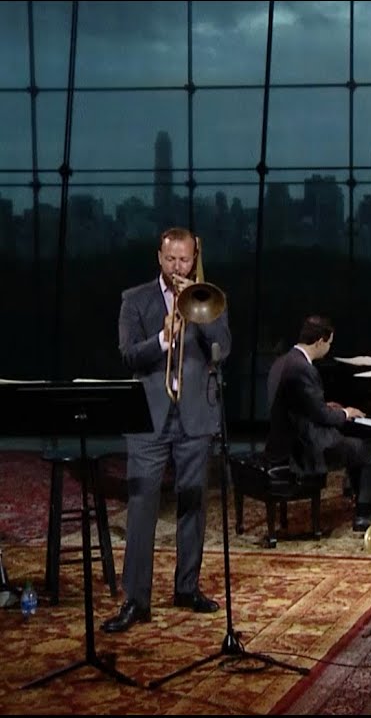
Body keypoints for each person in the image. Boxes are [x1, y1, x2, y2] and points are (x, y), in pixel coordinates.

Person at [104, 227, 232, 633]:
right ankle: (136, 600)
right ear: (159, 258)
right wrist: (163, 338)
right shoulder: (134, 299)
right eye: (171, 259)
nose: (178, 266)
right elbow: (129, 356)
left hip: (195, 415)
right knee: (142, 506)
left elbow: (223, 349)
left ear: (194, 259)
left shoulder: (209, 297)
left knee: (193, 503)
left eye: (185, 259)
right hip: (149, 417)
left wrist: (199, 311)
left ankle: (187, 588)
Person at [264, 315, 371, 533]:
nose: (329, 348)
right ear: (320, 341)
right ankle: (365, 514)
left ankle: (358, 498)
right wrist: (345, 413)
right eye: (329, 343)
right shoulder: (304, 369)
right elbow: (323, 417)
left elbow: (300, 404)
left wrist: (325, 406)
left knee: (354, 446)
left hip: (284, 441)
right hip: (303, 448)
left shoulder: (284, 361)